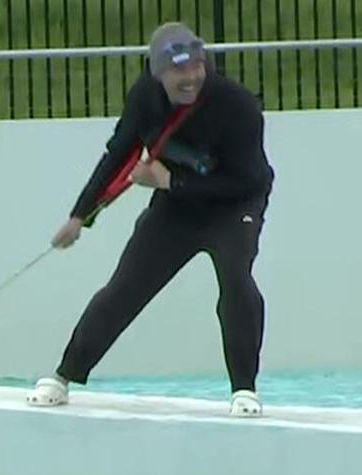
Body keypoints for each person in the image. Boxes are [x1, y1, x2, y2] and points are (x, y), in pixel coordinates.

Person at [26, 21, 274, 418]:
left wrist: (170, 180)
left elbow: (247, 180)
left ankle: (244, 390)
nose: (190, 78)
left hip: (234, 207)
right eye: (179, 71)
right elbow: (118, 153)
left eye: (196, 67)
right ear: (158, 73)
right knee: (125, 288)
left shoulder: (237, 105)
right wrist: (79, 216)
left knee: (237, 279)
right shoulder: (145, 98)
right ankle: (64, 376)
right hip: (176, 210)